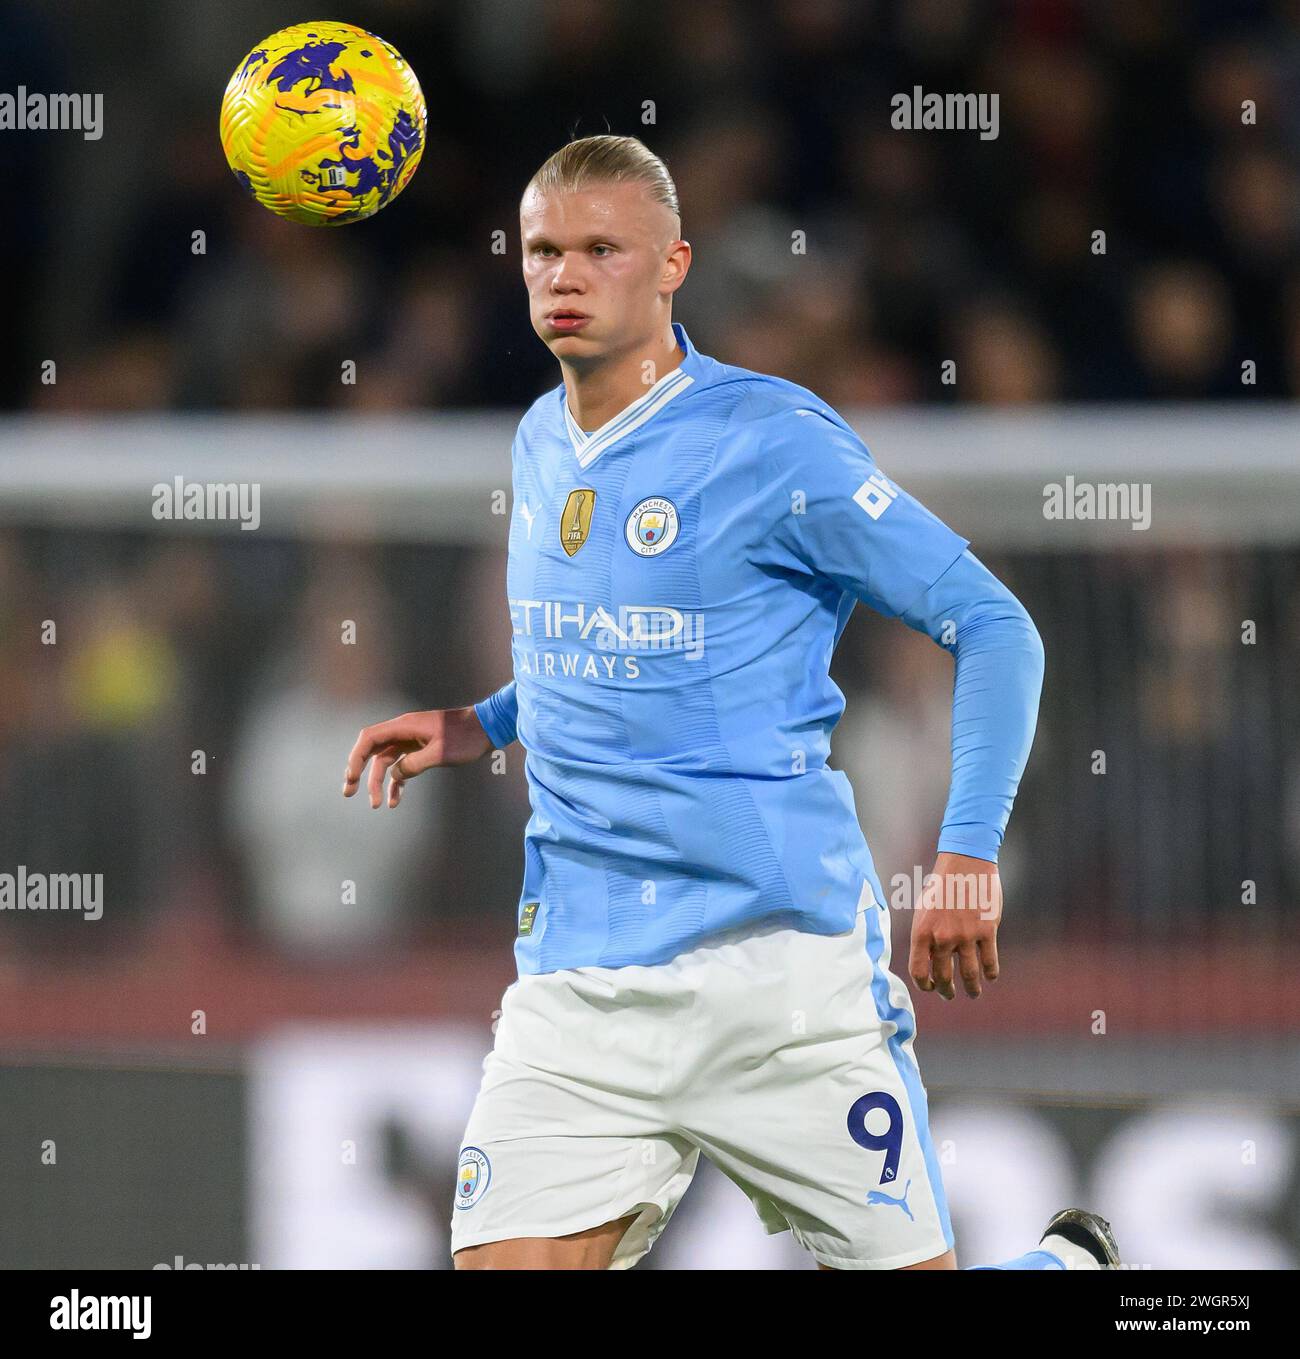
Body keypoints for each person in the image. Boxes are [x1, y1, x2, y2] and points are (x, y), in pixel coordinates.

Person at [343, 135, 1118, 1272]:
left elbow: (996, 627)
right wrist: (488, 721)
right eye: (543, 250)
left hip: (778, 969)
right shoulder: (537, 436)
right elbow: (621, 644)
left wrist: (966, 852)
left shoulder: (773, 443)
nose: (564, 276)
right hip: (580, 981)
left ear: (672, 267)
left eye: (601, 249)